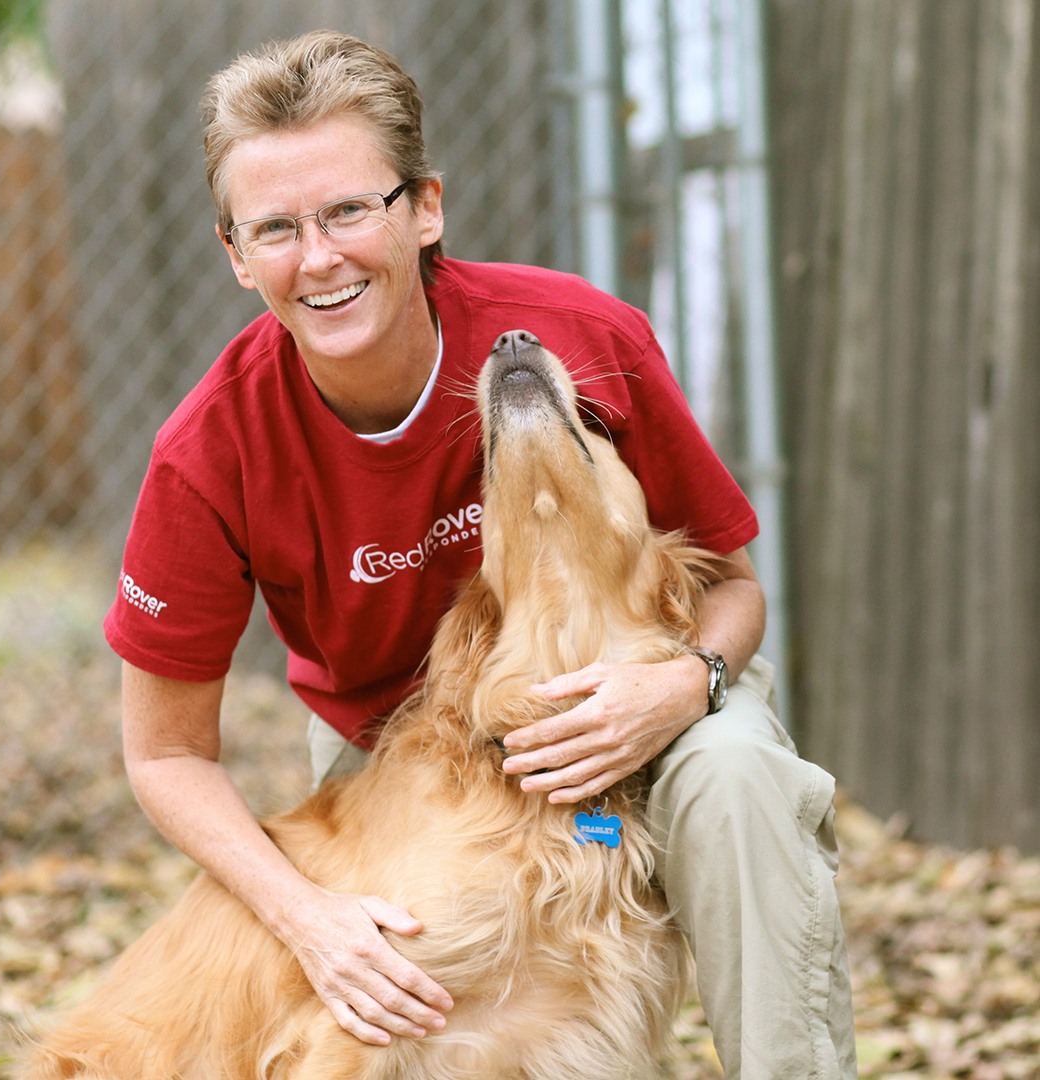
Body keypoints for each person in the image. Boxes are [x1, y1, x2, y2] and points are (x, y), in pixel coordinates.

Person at [104, 28, 857, 1079]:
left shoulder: (577, 339)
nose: (318, 258)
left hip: (640, 687)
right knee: (392, 975)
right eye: (275, 227)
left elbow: (726, 579)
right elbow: (166, 752)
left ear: (425, 210)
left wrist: (690, 683)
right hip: (390, 740)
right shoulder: (210, 451)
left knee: (736, 778)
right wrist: (312, 918)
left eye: (349, 211)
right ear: (235, 254)